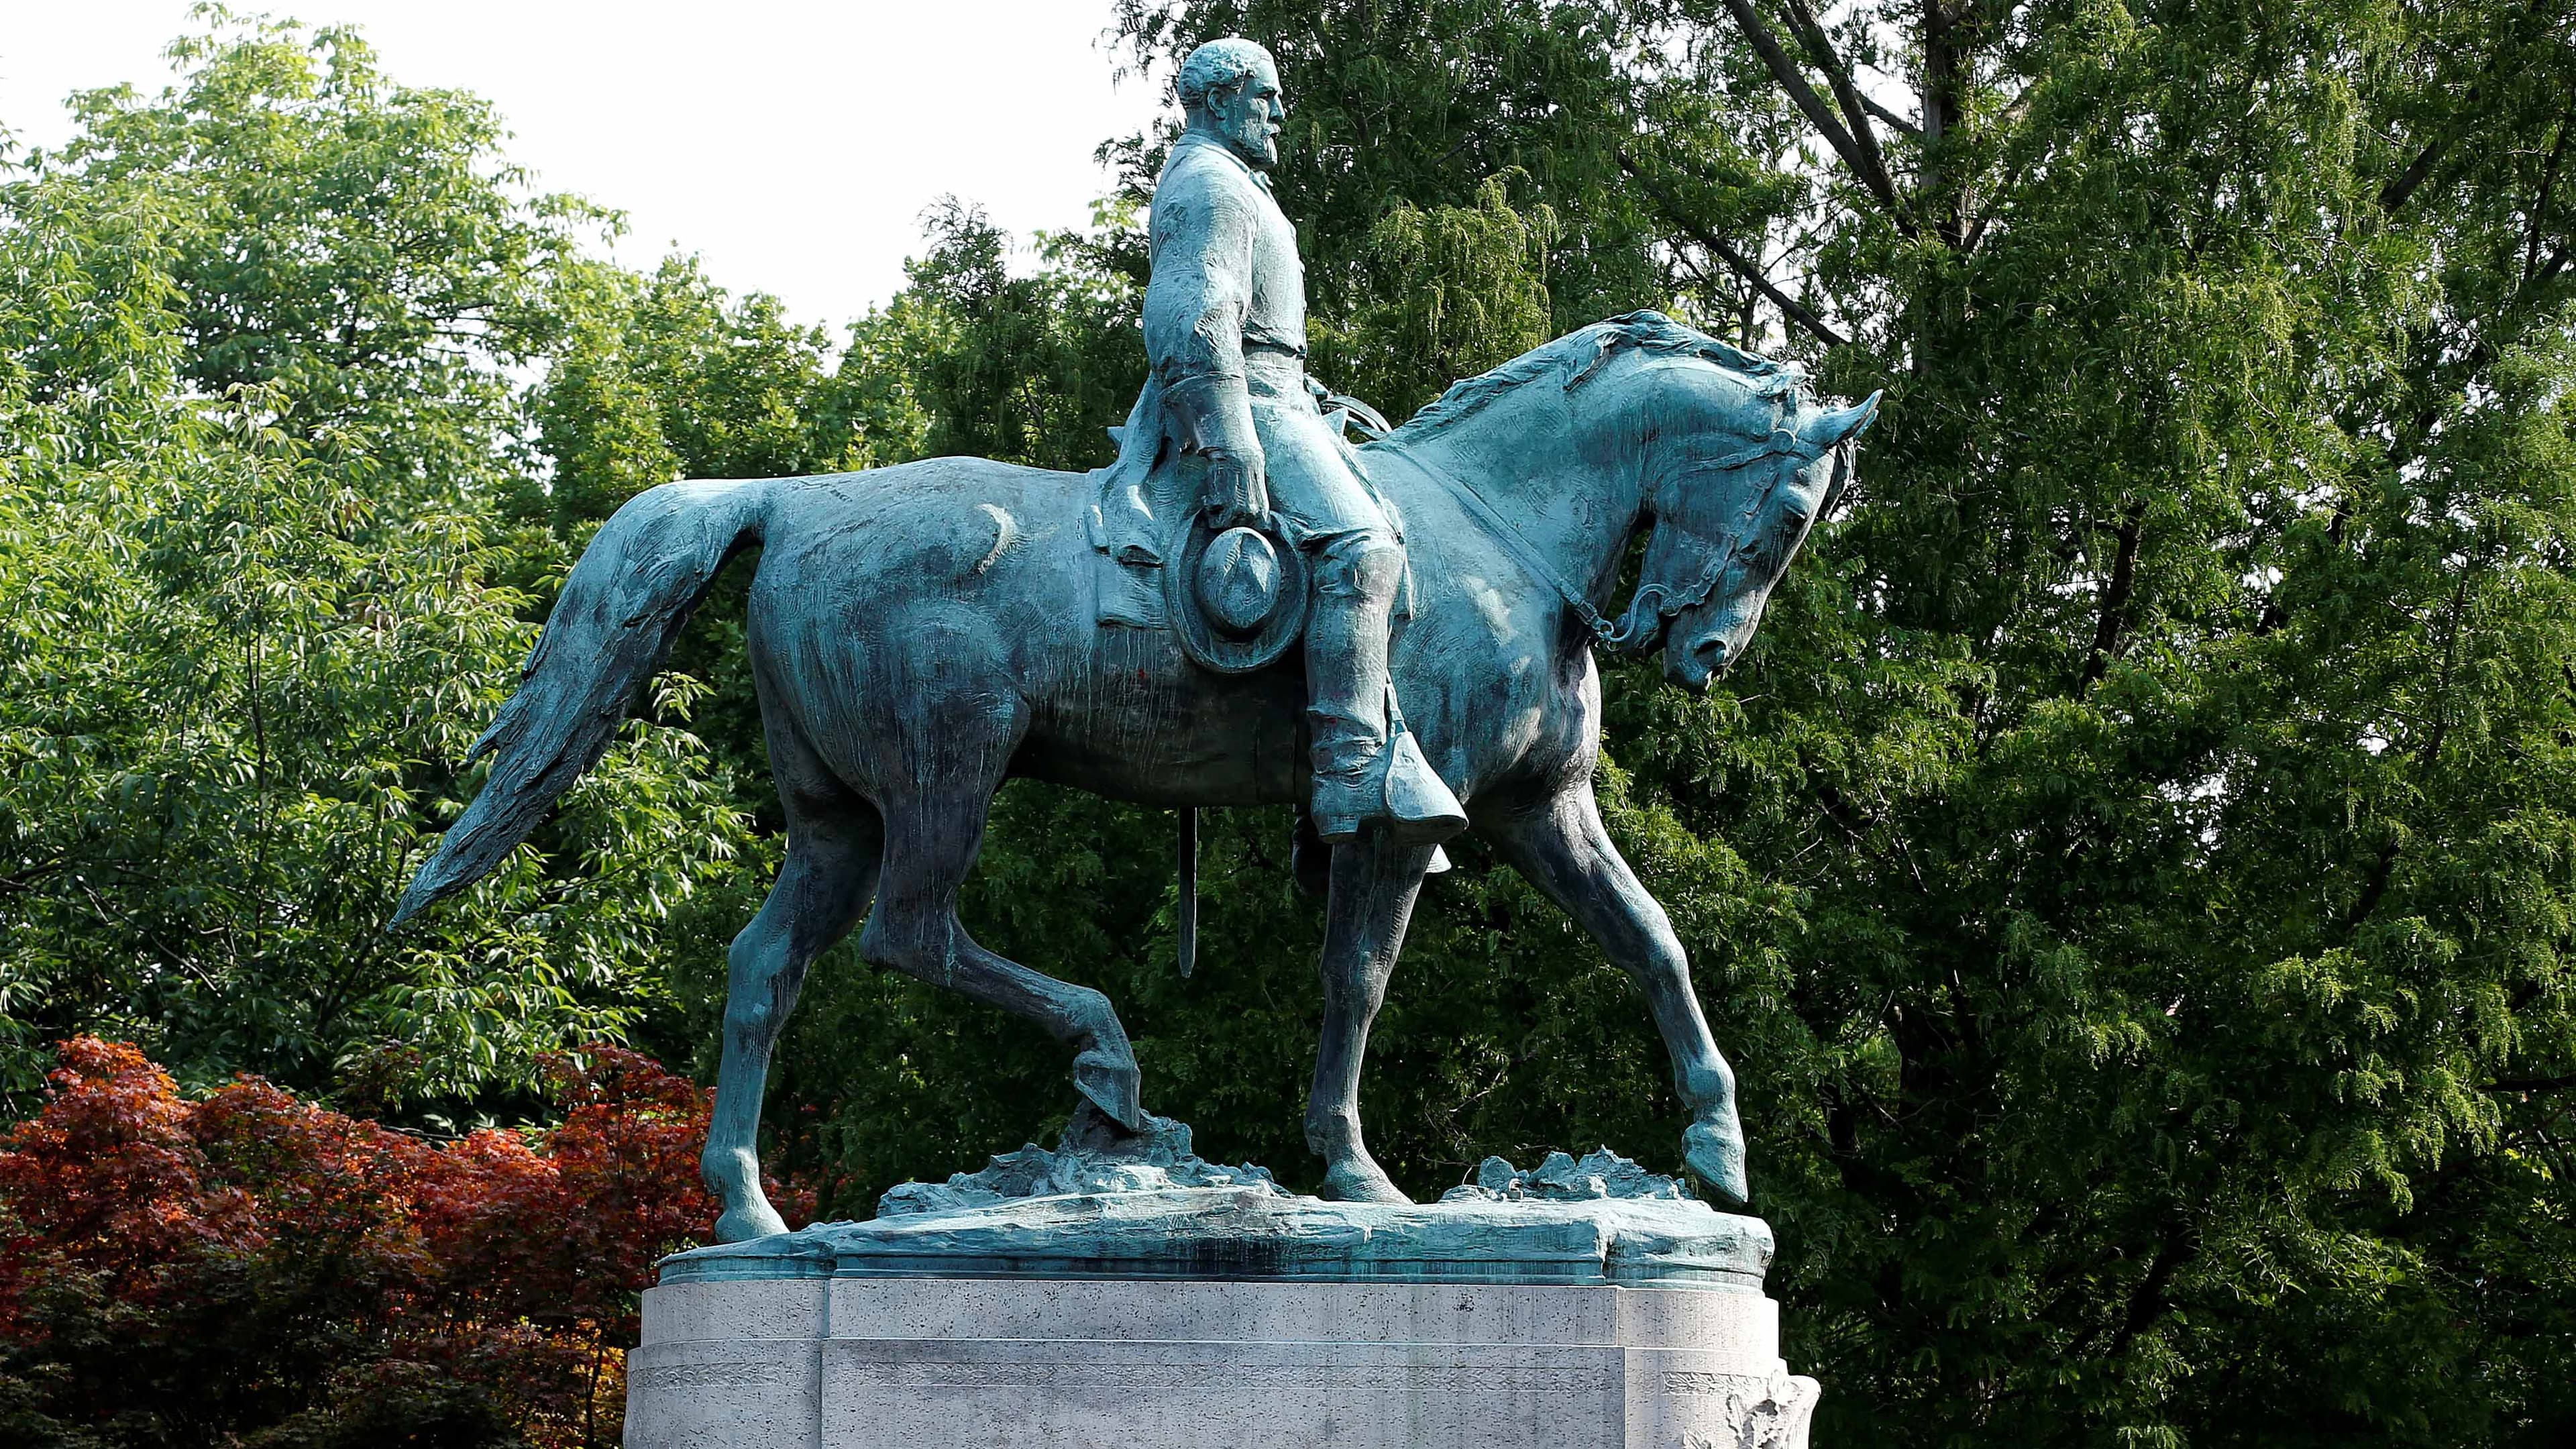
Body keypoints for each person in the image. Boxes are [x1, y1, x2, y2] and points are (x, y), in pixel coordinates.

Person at [1143, 36, 1460, 845]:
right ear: (1218, 100)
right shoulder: (1212, 184)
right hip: (1245, 401)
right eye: (1266, 96)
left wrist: (1311, 396)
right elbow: (1193, 321)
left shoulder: (1237, 184)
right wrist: (1230, 440)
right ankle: (1349, 768)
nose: (1281, 113)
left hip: (1277, 393)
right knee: (1364, 550)